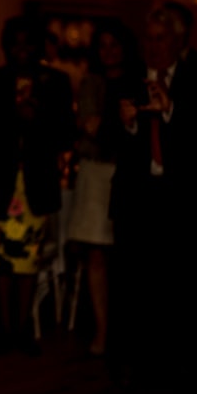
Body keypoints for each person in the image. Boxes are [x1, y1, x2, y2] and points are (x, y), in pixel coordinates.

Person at [108, 1, 197, 391]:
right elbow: (114, 148)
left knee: (182, 287)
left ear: (179, 40)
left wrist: (171, 109)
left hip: (183, 202)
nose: (153, 47)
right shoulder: (129, 77)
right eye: (149, 39)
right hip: (139, 201)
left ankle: (184, 370)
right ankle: (140, 366)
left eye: (161, 39)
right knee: (138, 288)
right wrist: (125, 125)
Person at [0, 14, 75, 355]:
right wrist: (12, 119)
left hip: (36, 184)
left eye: (29, 42)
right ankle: (5, 329)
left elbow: (66, 133)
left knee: (28, 260)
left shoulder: (56, 82)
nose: (22, 49)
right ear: (6, 45)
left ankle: (23, 329)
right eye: (16, 42)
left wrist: (36, 118)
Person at [64, 18, 142, 357]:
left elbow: (118, 133)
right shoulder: (92, 83)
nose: (109, 52)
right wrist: (119, 127)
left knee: (126, 254)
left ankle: (124, 331)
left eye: (114, 44)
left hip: (129, 173)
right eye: (103, 45)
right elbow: (93, 128)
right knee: (96, 254)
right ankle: (101, 330)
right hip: (97, 174)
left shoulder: (138, 82)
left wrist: (115, 130)